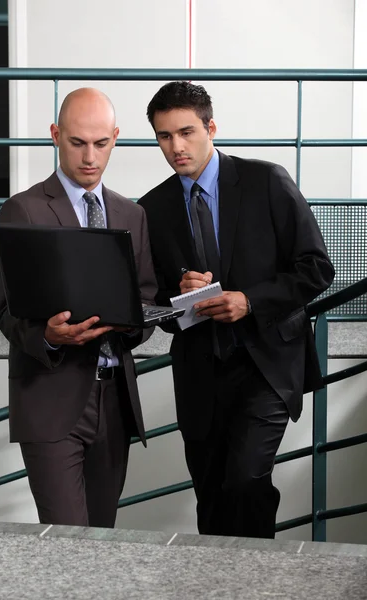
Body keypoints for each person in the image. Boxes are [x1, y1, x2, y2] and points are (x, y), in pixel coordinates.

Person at [138, 81, 335, 539]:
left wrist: (250, 300)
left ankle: (254, 581)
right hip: (199, 373)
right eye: (164, 137)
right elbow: (154, 300)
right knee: (212, 493)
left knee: (246, 481)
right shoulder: (152, 208)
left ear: (211, 127)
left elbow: (316, 268)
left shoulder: (266, 180)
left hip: (266, 362)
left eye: (186, 132)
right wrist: (179, 293)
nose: (176, 147)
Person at [0, 87, 157, 527]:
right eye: (77, 142)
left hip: (115, 400)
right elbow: (8, 313)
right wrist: (48, 336)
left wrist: (133, 323)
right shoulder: (22, 210)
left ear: (116, 138)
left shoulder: (132, 215)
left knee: (101, 539)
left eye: (101, 143)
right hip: (50, 397)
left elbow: (145, 304)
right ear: (55, 135)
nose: (90, 156)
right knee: (67, 540)